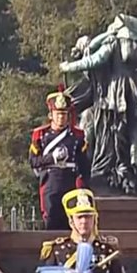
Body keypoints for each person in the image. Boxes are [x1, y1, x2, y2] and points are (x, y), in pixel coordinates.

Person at [28, 85, 90, 230]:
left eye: (64, 114)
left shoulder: (77, 136)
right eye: (58, 114)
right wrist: (51, 158)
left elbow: (84, 165)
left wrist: (82, 187)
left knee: (71, 222)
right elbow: (33, 161)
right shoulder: (41, 135)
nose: (61, 117)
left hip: (70, 182)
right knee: (51, 220)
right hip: (51, 182)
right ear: (51, 115)